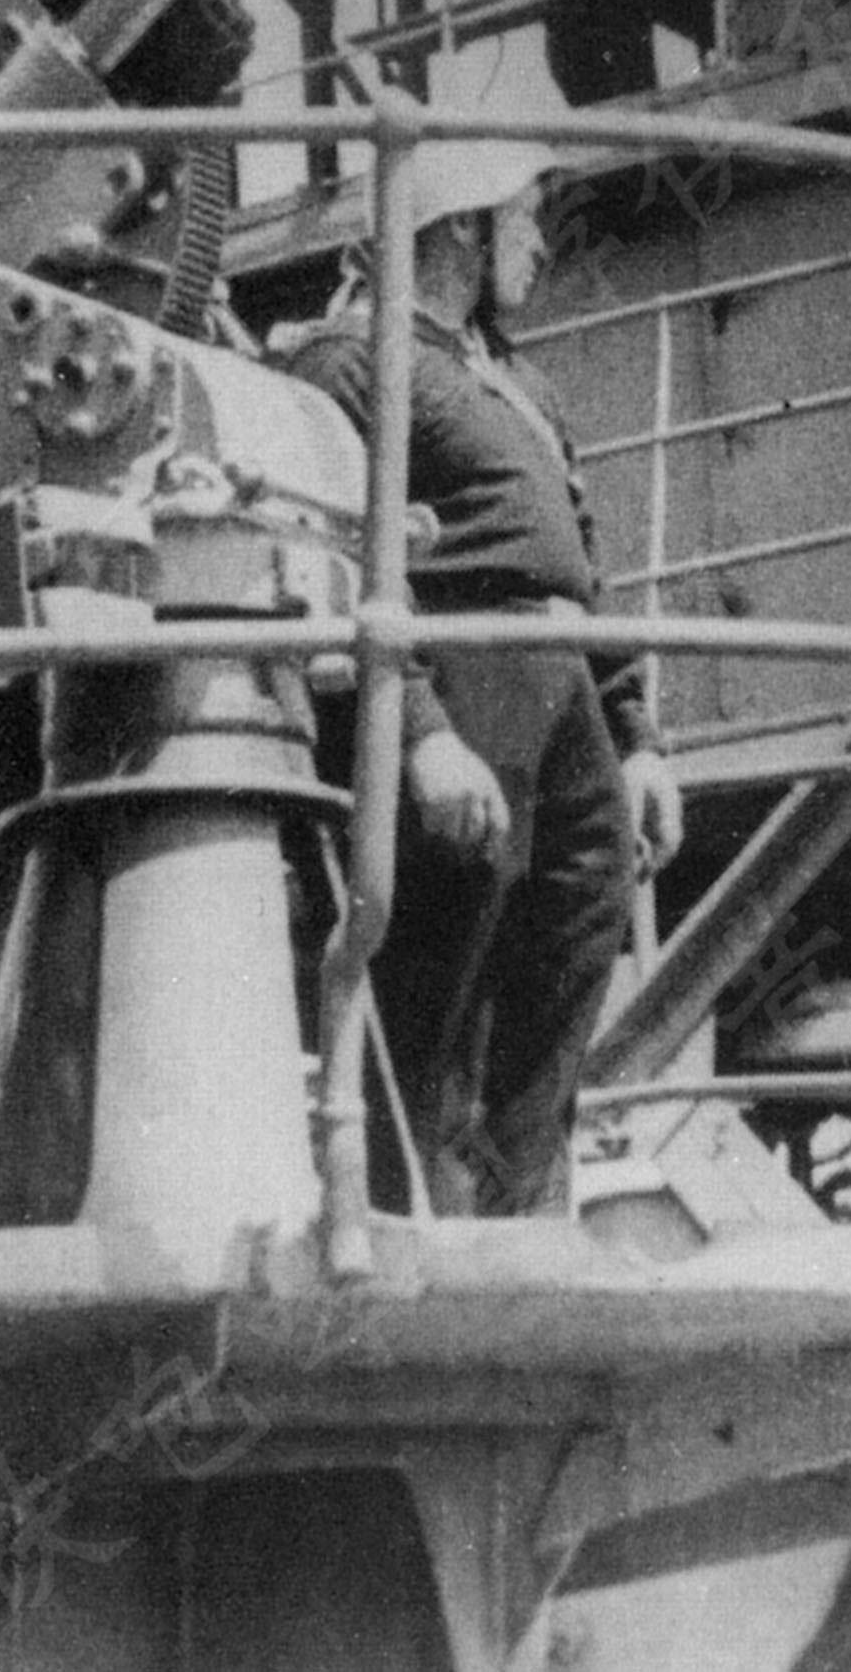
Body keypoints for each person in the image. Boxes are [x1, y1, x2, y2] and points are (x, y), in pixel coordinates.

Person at [284, 127, 684, 1216]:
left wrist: (637, 739)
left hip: (562, 684)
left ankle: (519, 1212)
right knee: (435, 971)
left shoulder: (519, 384)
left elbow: (582, 564)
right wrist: (420, 731)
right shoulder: (347, 360)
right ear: (462, 225)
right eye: (526, 219)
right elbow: (334, 553)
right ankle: (402, 1218)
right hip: (461, 676)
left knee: (578, 930)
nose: (543, 244)